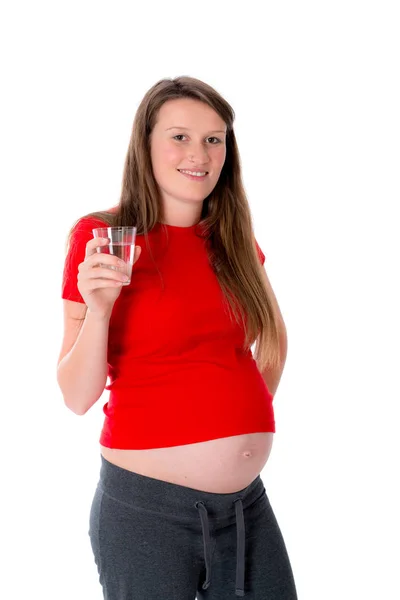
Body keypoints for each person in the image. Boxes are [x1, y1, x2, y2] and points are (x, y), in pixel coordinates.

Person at [57, 76, 298, 599]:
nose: (200, 153)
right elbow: (76, 396)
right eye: (180, 136)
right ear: (145, 144)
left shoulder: (235, 245)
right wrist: (98, 312)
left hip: (246, 508)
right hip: (148, 514)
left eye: (215, 139)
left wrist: (235, 417)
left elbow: (273, 344)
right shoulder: (102, 239)